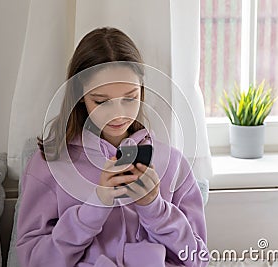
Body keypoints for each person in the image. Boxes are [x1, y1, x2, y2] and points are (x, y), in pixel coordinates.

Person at [16, 27, 208, 267]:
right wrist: (95, 206)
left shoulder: (173, 164)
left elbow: (198, 259)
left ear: (142, 91)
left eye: (130, 97)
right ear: (80, 96)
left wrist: (155, 208)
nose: (118, 114)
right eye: (101, 101)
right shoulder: (49, 164)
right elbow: (32, 260)